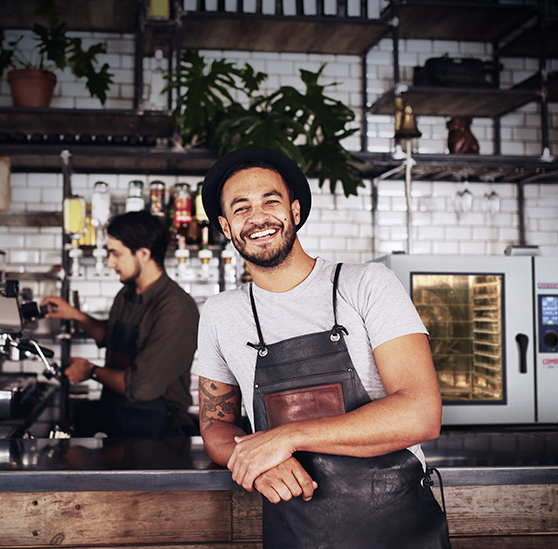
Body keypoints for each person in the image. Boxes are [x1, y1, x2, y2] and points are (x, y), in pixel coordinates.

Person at [193, 146, 452, 548]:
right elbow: (214, 425)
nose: (257, 216)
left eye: (270, 200)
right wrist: (249, 462)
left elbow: (421, 413)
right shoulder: (221, 314)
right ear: (226, 228)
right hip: (295, 532)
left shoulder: (366, 284)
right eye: (241, 208)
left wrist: (286, 437)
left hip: (400, 531)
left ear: (295, 211)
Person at [44, 210, 199, 438]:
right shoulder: (127, 293)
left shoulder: (176, 309)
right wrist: (74, 314)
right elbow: (111, 336)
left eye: (115, 254)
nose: (109, 263)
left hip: (156, 429)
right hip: (118, 416)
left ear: (144, 254)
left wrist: (91, 371)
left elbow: (142, 387)